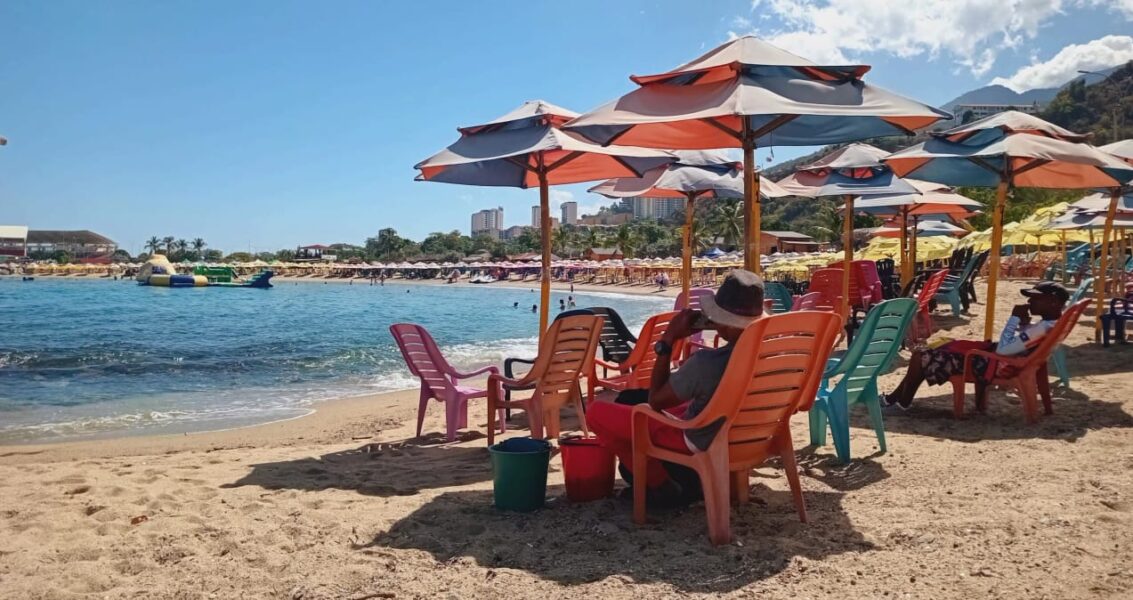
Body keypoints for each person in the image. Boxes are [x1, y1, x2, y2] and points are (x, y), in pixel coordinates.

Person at [588, 270, 765, 504]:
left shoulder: (707, 364)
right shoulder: (772, 355)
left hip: (698, 439)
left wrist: (668, 340)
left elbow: (656, 400)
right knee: (637, 400)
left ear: (722, 320)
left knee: (596, 412)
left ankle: (660, 485)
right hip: (755, 438)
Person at [882, 281, 1069, 410]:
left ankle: (902, 403)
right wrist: (1023, 325)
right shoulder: (1052, 325)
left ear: (1053, 302)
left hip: (991, 364)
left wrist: (1013, 319)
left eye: (1036, 298)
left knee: (920, 356)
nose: (1029, 301)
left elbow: (1004, 349)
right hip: (999, 361)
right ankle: (893, 399)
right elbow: (1022, 343)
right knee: (930, 351)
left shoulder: (1042, 328)